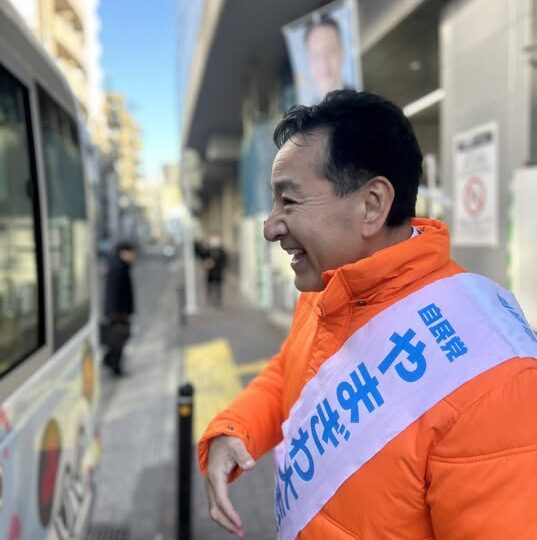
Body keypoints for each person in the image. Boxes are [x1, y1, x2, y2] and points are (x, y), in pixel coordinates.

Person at [198, 90, 537, 539]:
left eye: (289, 202)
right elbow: (290, 373)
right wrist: (236, 429)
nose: (270, 227)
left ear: (373, 204)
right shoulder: (327, 289)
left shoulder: (499, 380)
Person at [103, 240, 137, 376]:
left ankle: (112, 363)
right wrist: (115, 313)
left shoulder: (122, 266)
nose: (134, 256)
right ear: (124, 253)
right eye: (132, 253)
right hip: (118, 313)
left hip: (119, 312)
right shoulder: (118, 268)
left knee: (118, 340)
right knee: (117, 340)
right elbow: (112, 293)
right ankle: (113, 365)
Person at [304, 14, 347, 103]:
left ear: (341, 51)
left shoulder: (362, 99)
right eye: (316, 55)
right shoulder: (307, 107)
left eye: (330, 51)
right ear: (308, 59)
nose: (324, 63)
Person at [202, 234, 227, 308]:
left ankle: (218, 300)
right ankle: (210, 298)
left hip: (218, 272)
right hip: (210, 273)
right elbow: (204, 257)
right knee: (210, 286)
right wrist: (207, 263)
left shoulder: (221, 251)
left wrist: (216, 264)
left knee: (218, 287)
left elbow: (224, 261)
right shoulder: (208, 250)